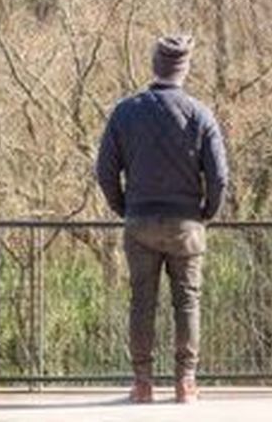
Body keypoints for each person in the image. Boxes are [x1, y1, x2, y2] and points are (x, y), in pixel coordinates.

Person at [94, 34, 229, 404]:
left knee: (142, 303)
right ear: (183, 70)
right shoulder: (200, 114)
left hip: (140, 222)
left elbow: (104, 171)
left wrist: (125, 208)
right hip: (186, 225)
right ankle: (185, 383)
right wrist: (206, 214)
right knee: (187, 303)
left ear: (155, 66)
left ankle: (142, 383)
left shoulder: (125, 111)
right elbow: (218, 177)